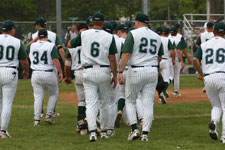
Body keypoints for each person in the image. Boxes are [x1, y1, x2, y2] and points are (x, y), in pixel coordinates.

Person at [68, 12, 117, 142]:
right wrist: (115, 75)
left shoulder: (84, 34)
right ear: (103, 22)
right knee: (104, 103)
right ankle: (105, 131)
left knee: (90, 104)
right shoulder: (109, 36)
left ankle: (93, 132)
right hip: (103, 70)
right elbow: (112, 58)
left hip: (88, 70)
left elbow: (69, 45)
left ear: (92, 22)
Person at [118, 13, 164, 141]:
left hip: (136, 69)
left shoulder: (133, 33)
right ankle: (145, 133)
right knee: (148, 103)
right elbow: (159, 57)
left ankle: (134, 129)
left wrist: (120, 71)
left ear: (137, 22)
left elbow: (126, 53)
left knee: (130, 100)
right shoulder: (156, 36)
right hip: (152, 70)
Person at [193, 22, 225, 144]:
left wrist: (201, 72)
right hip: (223, 75)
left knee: (216, 106)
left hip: (209, 77)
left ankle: (214, 122)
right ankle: (223, 137)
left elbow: (195, 59)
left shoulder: (205, 44)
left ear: (213, 31)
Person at [30, 16, 64, 118]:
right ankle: (51, 112)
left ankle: (39, 113)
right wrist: (65, 62)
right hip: (52, 65)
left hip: (37, 67)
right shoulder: (53, 35)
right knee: (53, 92)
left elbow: (29, 49)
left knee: (38, 94)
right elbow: (60, 49)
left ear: (38, 25)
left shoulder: (34, 36)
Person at [0, 20, 29, 138]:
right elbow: (24, 61)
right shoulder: (17, 42)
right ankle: (3, 130)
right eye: (14, 29)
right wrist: (26, 71)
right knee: (7, 102)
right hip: (10, 71)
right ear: (11, 29)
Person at [64, 23, 88, 135]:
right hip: (89, 72)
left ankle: (81, 125)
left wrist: (67, 76)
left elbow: (67, 64)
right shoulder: (90, 42)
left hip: (78, 73)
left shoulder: (72, 45)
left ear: (77, 32)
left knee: (81, 101)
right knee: (93, 100)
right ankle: (91, 122)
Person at [158, 27, 175, 103]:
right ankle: (162, 92)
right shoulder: (168, 39)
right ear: (168, 33)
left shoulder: (156, 38)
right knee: (166, 79)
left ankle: (159, 97)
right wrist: (173, 60)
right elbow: (171, 52)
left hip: (156, 60)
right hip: (165, 60)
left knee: (158, 80)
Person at [169, 26, 185, 97]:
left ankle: (164, 91)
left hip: (168, 58)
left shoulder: (167, 37)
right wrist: (182, 61)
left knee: (168, 76)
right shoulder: (179, 38)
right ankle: (175, 92)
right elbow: (179, 51)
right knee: (176, 76)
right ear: (177, 31)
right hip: (176, 58)